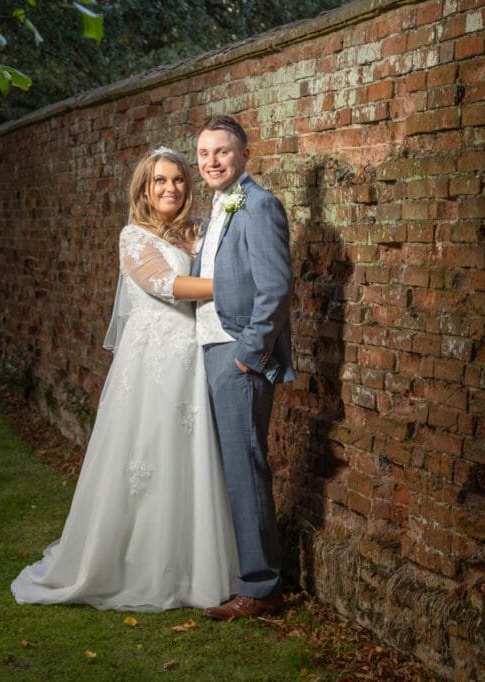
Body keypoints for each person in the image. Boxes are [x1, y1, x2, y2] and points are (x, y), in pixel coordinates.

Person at [11, 147, 238, 611]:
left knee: (186, 456)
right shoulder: (132, 238)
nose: (170, 188)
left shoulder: (195, 233)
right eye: (159, 181)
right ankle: (134, 566)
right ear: (144, 189)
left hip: (190, 358)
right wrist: (237, 283)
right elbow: (167, 287)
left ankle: (194, 564)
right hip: (152, 361)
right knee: (146, 456)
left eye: (177, 180)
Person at [191, 115, 295, 621]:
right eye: (205, 154)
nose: (212, 162)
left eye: (222, 152)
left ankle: (261, 588)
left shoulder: (259, 205)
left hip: (236, 357)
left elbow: (275, 289)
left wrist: (246, 356)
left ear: (244, 156)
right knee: (222, 470)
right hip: (207, 350)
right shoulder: (215, 209)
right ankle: (236, 571)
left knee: (246, 468)